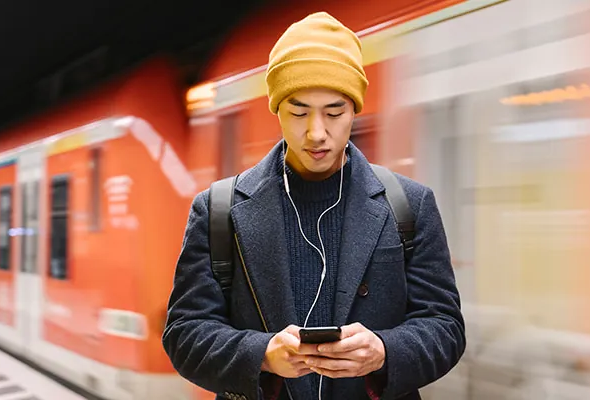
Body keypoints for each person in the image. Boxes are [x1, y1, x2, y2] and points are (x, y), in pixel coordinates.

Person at [162, 11, 466, 400]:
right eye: (299, 112)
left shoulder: (409, 205)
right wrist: (262, 355)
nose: (316, 132)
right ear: (277, 110)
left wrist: (384, 351)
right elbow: (184, 333)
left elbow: (445, 327)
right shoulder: (218, 210)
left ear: (354, 109)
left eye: (334, 113)